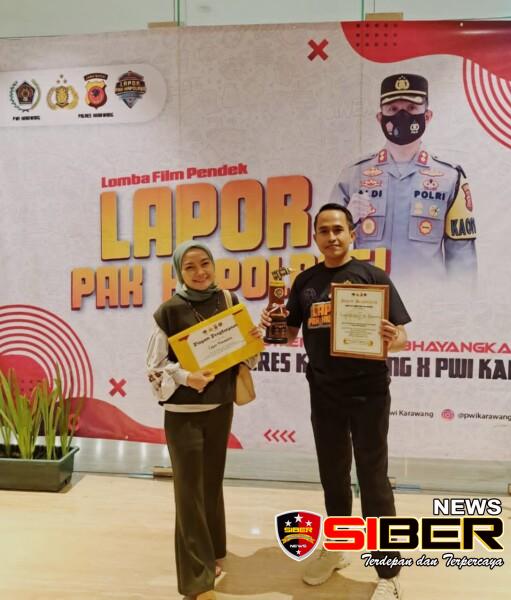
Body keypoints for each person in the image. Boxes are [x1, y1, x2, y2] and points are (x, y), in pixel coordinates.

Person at [261, 204, 411, 600]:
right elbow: (288, 334)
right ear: (316, 237)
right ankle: (340, 546)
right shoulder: (305, 281)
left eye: (338, 229)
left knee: (373, 479)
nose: (332, 237)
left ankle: (388, 571)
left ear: (351, 234)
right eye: (324, 231)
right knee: (333, 474)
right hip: (324, 391)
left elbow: (401, 337)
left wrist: (391, 337)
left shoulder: (373, 277)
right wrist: (272, 325)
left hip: (368, 392)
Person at [146, 240, 260, 600]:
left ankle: (214, 553)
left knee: (210, 484)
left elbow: (246, 359)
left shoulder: (228, 301)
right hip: (183, 415)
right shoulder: (169, 311)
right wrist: (185, 377)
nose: (200, 272)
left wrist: (253, 342)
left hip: (220, 409)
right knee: (188, 492)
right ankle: (197, 583)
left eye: (205, 263)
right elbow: (154, 368)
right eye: (190, 266)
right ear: (179, 272)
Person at [330, 73, 477, 280]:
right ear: (380, 118)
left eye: (411, 108)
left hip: (425, 295)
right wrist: (348, 220)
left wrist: (459, 300)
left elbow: (462, 261)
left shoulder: (450, 177)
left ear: (427, 116)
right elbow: (326, 246)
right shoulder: (353, 175)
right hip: (367, 294)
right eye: (393, 109)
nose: (402, 116)